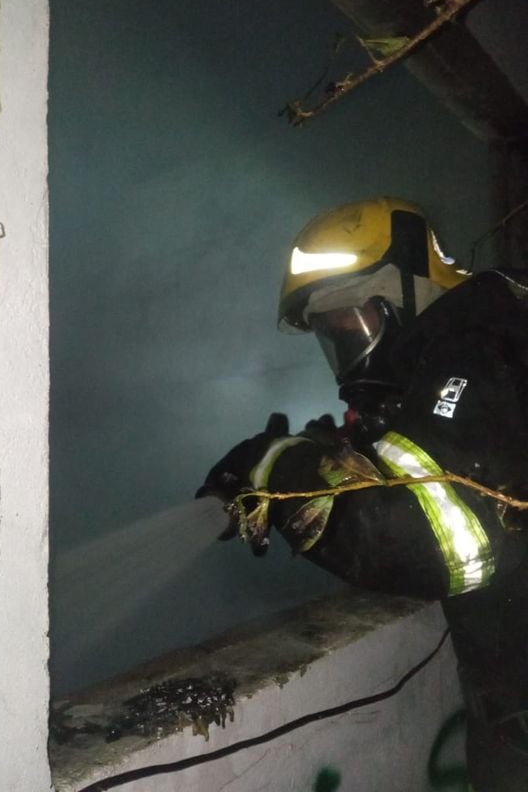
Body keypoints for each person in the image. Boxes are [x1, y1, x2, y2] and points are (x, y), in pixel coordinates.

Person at [197, 197, 528, 791]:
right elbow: (444, 463)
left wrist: (276, 466)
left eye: (352, 325)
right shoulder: (483, 342)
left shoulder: (478, 347)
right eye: (333, 338)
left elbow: (438, 543)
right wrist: (334, 459)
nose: (347, 356)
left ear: (407, 293)